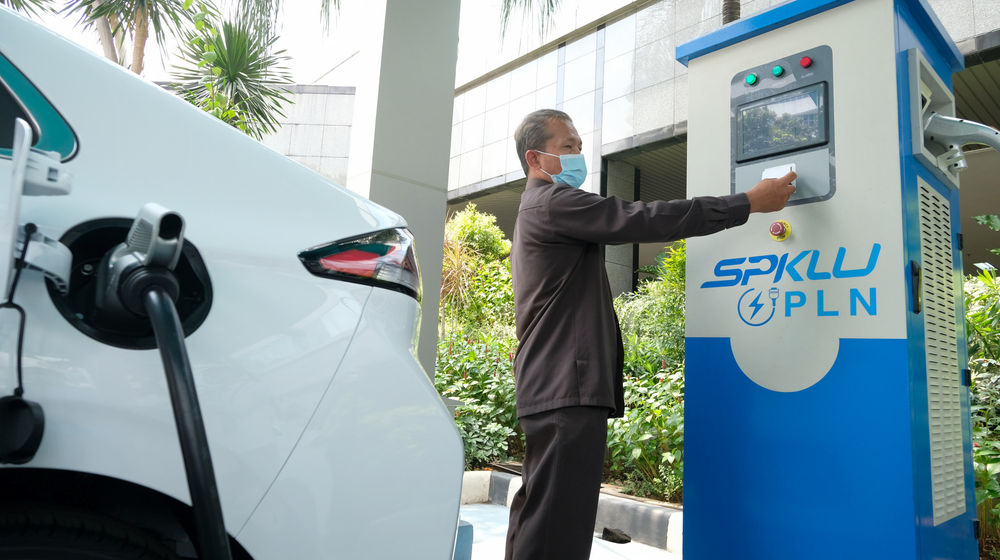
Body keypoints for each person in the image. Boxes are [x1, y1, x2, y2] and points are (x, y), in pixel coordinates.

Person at [504, 109, 795, 560]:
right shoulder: (553, 203)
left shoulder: (539, 210)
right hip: (566, 387)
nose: (579, 153)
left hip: (553, 385)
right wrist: (748, 203)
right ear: (535, 158)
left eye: (581, 145)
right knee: (557, 525)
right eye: (567, 146)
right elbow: (644, 218)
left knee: (542, 513)